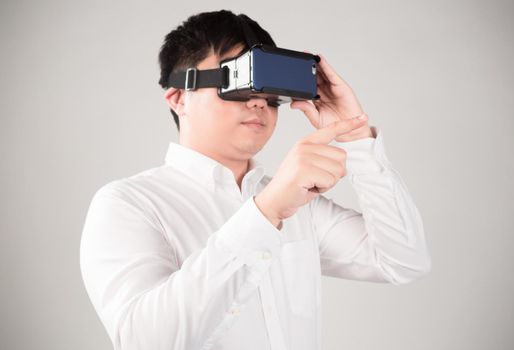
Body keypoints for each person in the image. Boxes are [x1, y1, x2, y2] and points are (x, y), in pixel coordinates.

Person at [79, 9, 432, 350]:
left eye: (270, 95)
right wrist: (264, 215)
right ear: (178, 98)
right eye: (237, 85)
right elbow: (146, 342)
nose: (258, 104)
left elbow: (402, 260)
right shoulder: (127, 205)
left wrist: (355, 136)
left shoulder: (298, 206)